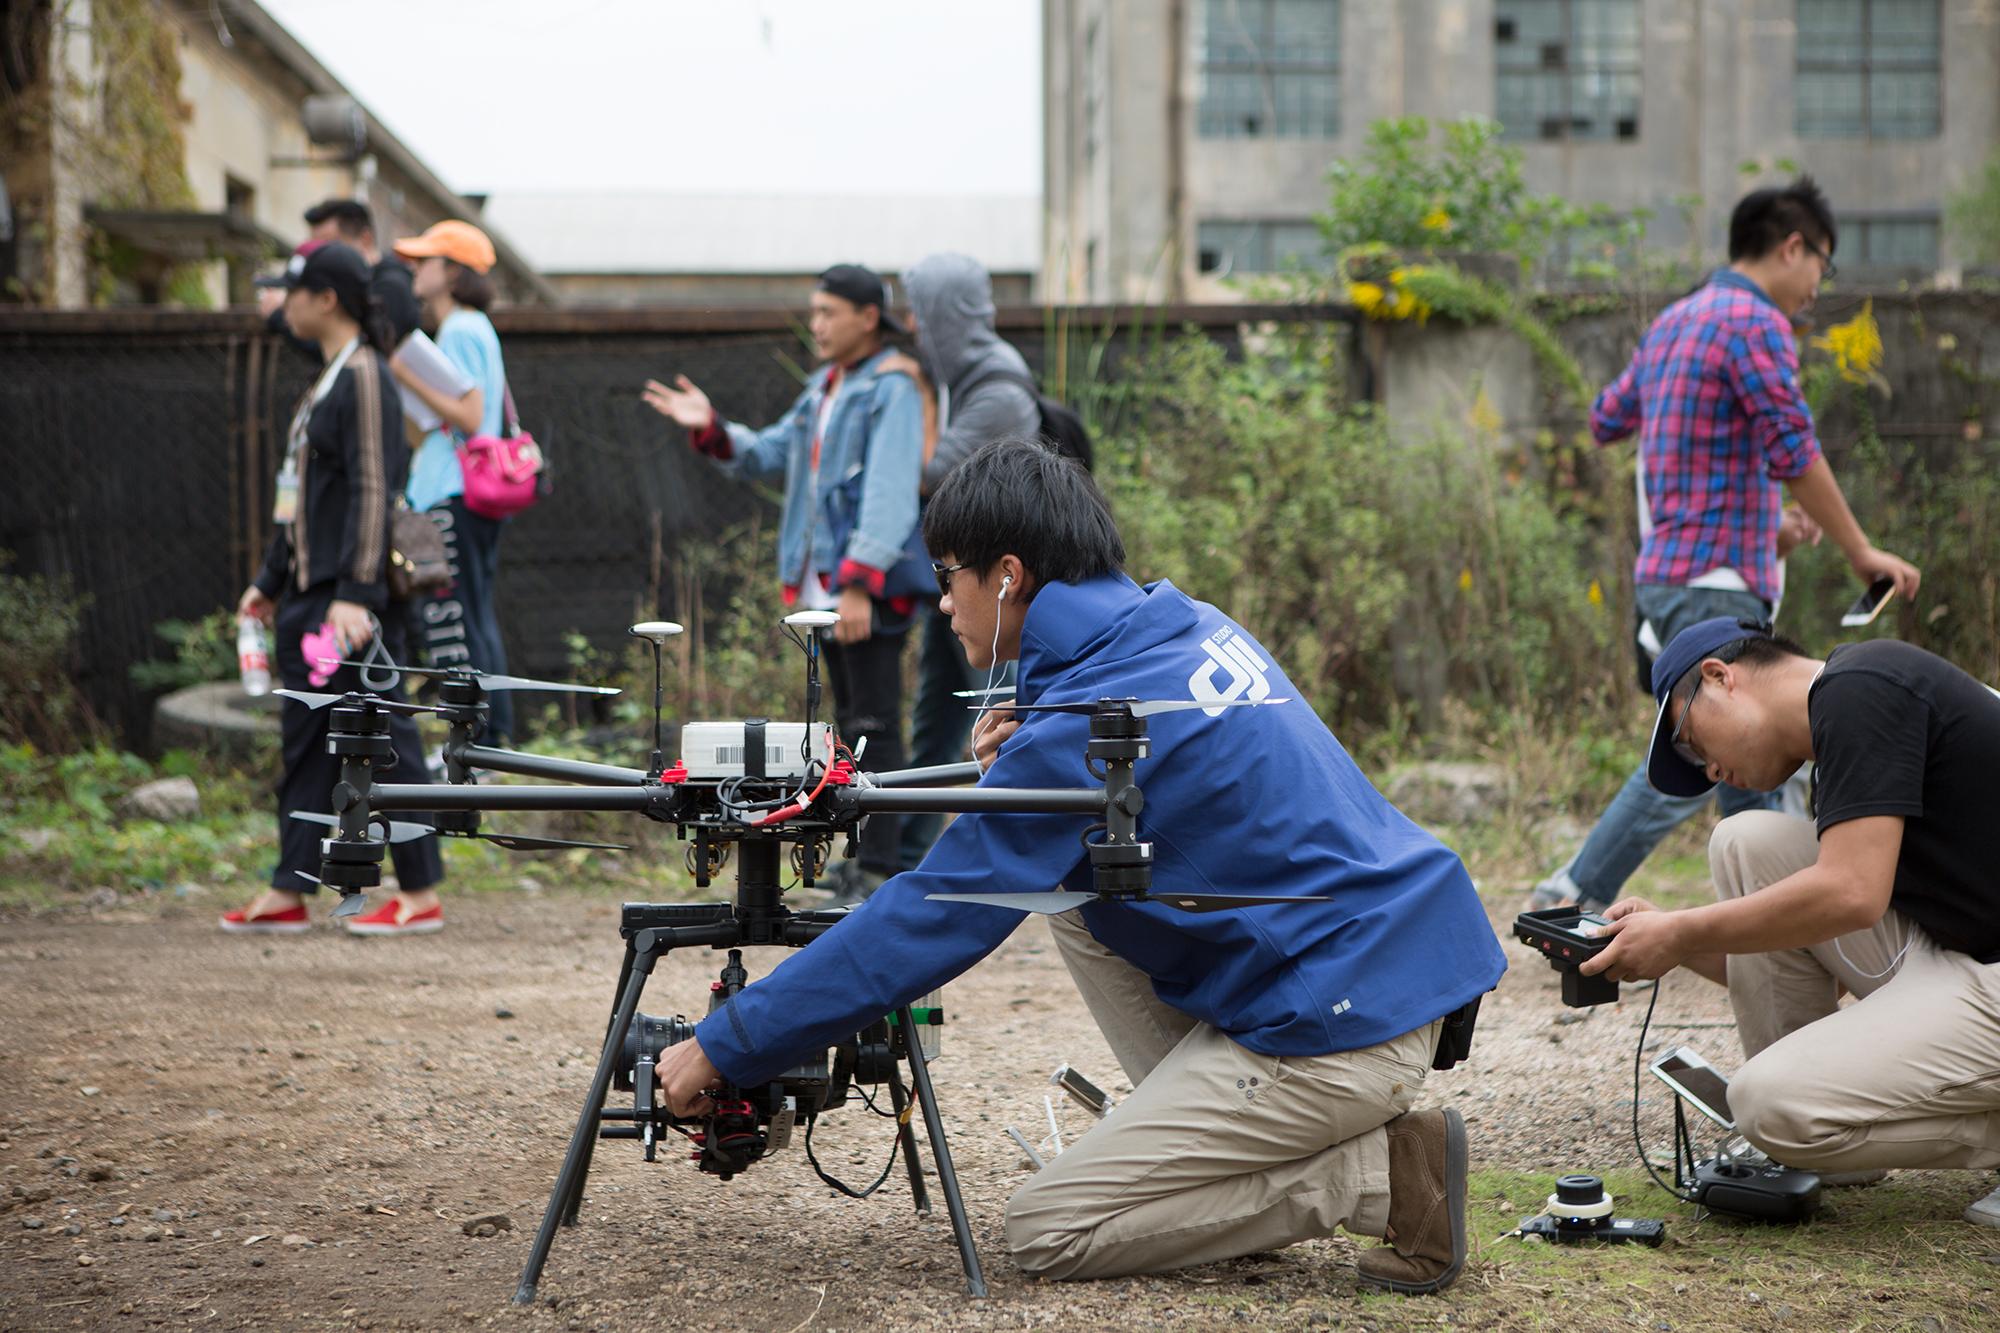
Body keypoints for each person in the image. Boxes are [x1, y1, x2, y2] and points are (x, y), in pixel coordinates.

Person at [649, 439, 1507, 1293]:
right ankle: (1213, 1158)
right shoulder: (1177, 625)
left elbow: (936, 909)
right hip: (1380, 972)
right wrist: (1020, 775)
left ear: (1010, 574)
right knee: (1069, 884)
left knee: (1049, 1229)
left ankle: (1384, 1175)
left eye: (950, 576)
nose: (943, 603)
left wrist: (733, 1039)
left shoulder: (1088, 719)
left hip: (1341, 1029)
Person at [1528, 177, 1920, 915]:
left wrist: (1762, 523)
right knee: (1722, 751)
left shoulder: (1674, 322)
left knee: (1737, 762)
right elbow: (1792, 447)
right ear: (1793, 245)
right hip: (1715, 582)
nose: (1814, 290)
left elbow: (1607, 419)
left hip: (1668, 576)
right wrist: (1861, 552)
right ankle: (1580, 891)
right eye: (1820, 267)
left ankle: (1745, 914)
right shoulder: (1755, 322)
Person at [1579, 617, 2000, 1225]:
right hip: (1963, 954)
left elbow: (1852, 894)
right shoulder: (1839, 743)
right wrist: (1672, 942)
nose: (1711, 773)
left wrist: (1683, 928)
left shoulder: (1863, 685)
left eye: (1690, 743)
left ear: (1720, 677)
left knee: (1764, 1102)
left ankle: (1804, 1122)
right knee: (1744, 839)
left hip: (1984, 973)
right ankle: (1818, 1144)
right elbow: (1805, 966)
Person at [642, 264, 926, 903]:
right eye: (815, 311)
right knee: (841, 725)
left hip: (858, 588)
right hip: (821, 590)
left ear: (868, 317)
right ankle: (855, 858)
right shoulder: (825, 385)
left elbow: (888, 491)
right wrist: (710, 425)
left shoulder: (893, 387)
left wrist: (859, 582)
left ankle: (880, 865)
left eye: (828, 312)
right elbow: (769, 453)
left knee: (875, 722)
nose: (817, 324)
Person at [223, 243, 445, 937]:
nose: (283, 302)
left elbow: (374, 485)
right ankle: (290, 886)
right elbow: (300, 501)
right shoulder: (323, 382)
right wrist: (268, 580)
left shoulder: (368, 377)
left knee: (383, 734)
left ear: (327, 298)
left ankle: (420, 891)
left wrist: (358, 589)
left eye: (294, 289)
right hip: (308, 598)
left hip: (345, 604)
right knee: (309, 737)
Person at [893, 253, 1041, 871]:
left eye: (918, 310)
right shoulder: (967, 376)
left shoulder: (998, 385)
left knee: (997, 714)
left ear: (943, 313)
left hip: (996, 585)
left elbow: (930, 473)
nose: (910, 323)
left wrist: (917, 403)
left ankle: (1009, 847)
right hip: (960, 575)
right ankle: (904, 852)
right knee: (935, 712)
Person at [391, 220, 517, 746]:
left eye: (427, 261)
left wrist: (405, 373)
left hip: (452, 491)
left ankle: (479, 745)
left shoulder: (462, 328)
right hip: (464, 491)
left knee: (454, 618)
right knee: (474, 613)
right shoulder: (473, 327)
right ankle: (495, 738)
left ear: (454, 272)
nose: (416, 270)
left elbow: (470, 414)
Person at [256, 199, 421, 348]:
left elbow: (353, 348)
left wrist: (278, 316)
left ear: (365, 239)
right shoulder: (376, 281)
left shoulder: (391, 285)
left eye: (329, 244)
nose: (320, 256)